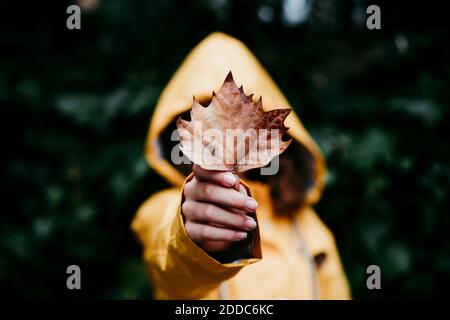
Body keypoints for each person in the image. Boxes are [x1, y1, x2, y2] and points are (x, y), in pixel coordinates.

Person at [131, 32, 351, 299]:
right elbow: (170, 261)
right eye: (207, 122)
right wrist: (194, 242)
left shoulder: (311, 230)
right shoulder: (165, 209)